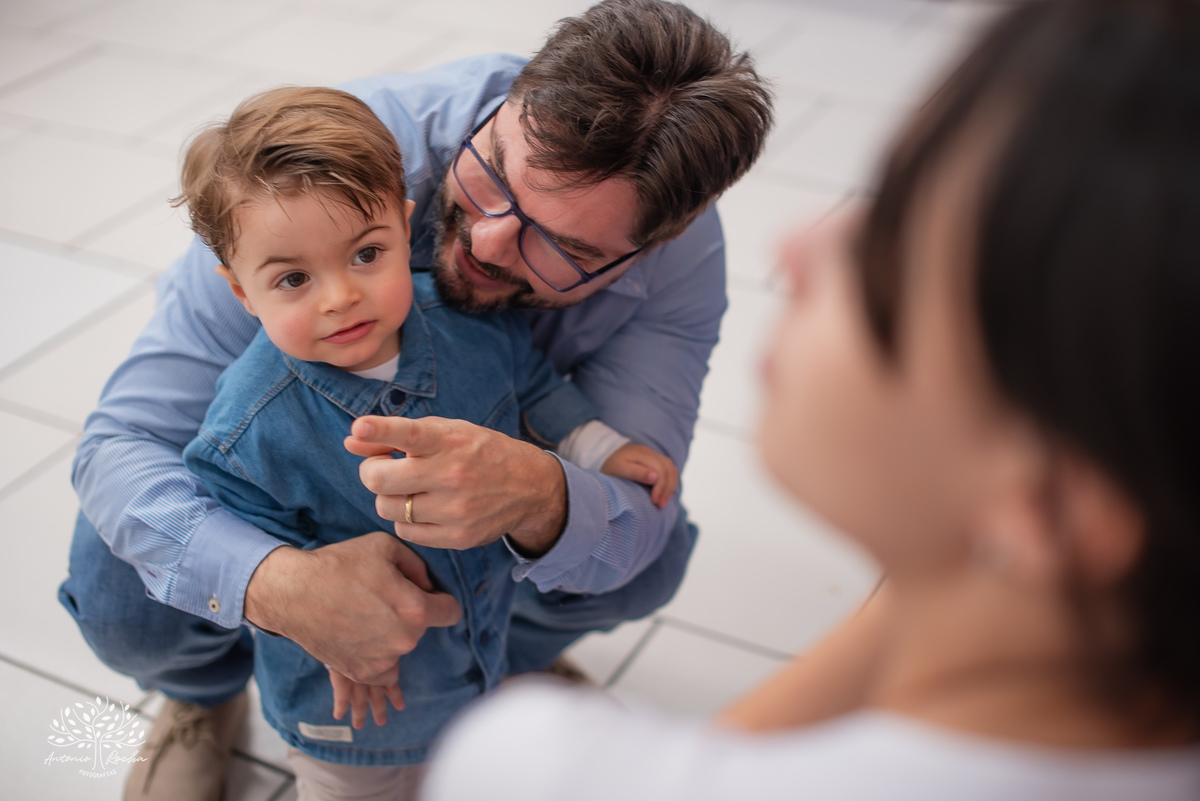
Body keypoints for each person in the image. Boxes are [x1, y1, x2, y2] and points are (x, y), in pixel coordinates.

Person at [421, 1, 1200, 799]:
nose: (800, 244)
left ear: (1051, 505)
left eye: (896, 244)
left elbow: (636, 524)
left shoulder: (535, 766)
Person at [57, 1, 773, 799]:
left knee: (647, 555)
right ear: (511, 101)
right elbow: (120, 447)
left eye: (565, 246)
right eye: (496, 174)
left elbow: (638, 509)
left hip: (468, 548)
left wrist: (542, 497)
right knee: (119, 579)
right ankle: (199, 694)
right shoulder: (318, 172)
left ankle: (496, 659)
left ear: (649, 247)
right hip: (286, 508)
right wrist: (279, 585)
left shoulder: (679, 270)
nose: (490, 243)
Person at [172, 84, 679, 798]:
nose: (338, 296)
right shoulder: (248, 426)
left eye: (365, 254)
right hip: (350, 707)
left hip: (475, 658)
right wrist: (314, 620)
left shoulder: (472, 323)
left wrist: (597, 446)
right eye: (292, 278)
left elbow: (534, 386)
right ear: (240, 293)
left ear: (404, 229)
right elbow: (239, 543)